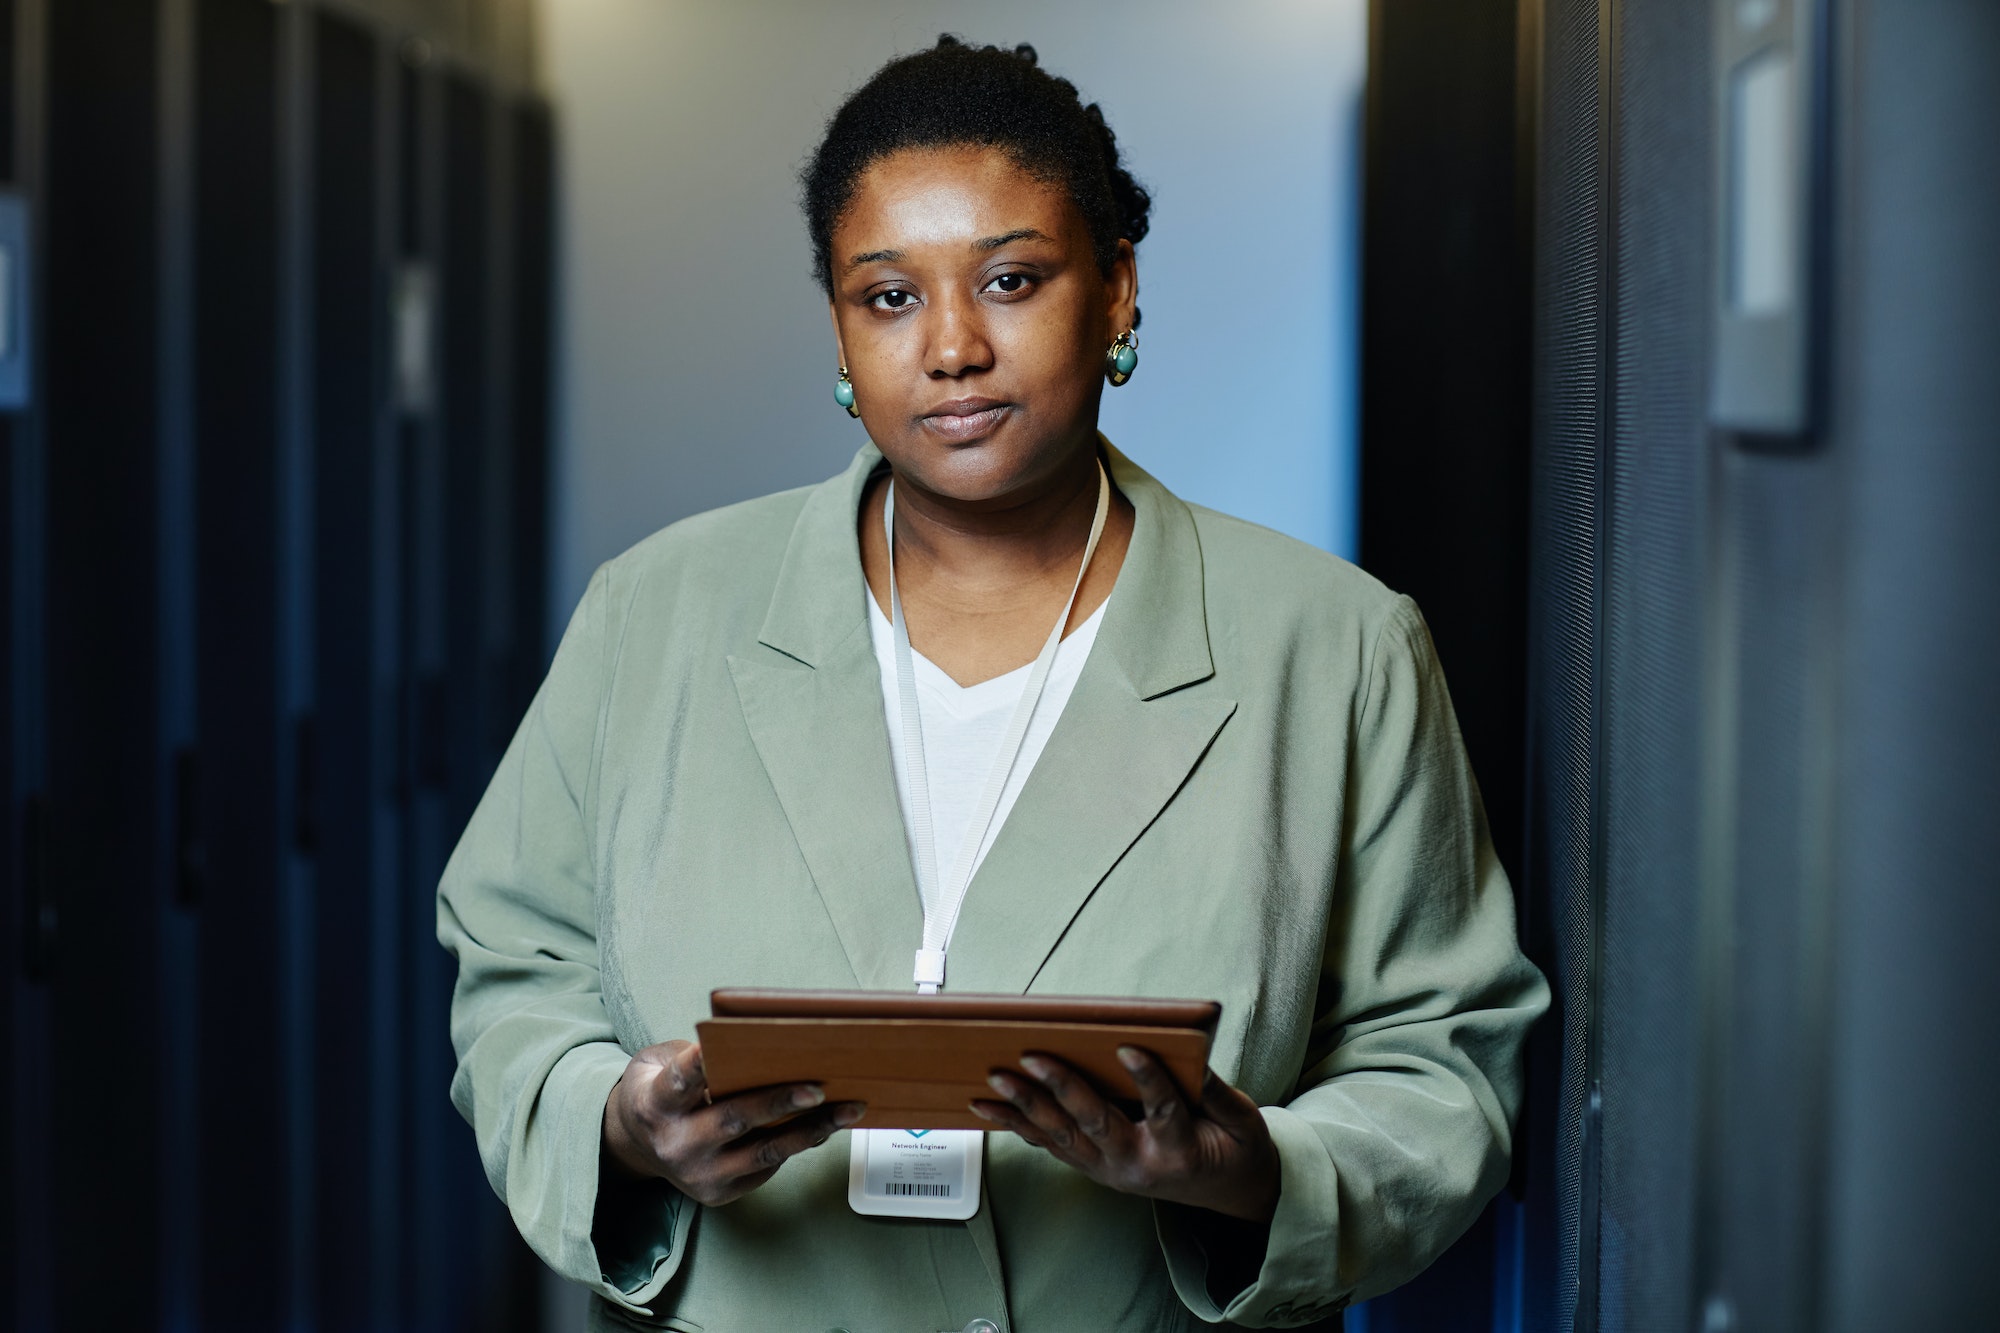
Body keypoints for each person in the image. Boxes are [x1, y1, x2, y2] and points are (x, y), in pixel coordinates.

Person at [439, 36, 1548, 1332]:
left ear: (1119, 290)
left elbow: (1443, 1058)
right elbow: (514, 970)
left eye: (1012, 279)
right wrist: (621, 1126)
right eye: (889, 297)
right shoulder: (655, 616)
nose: (953, 347)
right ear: (841, 335)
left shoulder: (1334, 649)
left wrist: (1253, 1171)